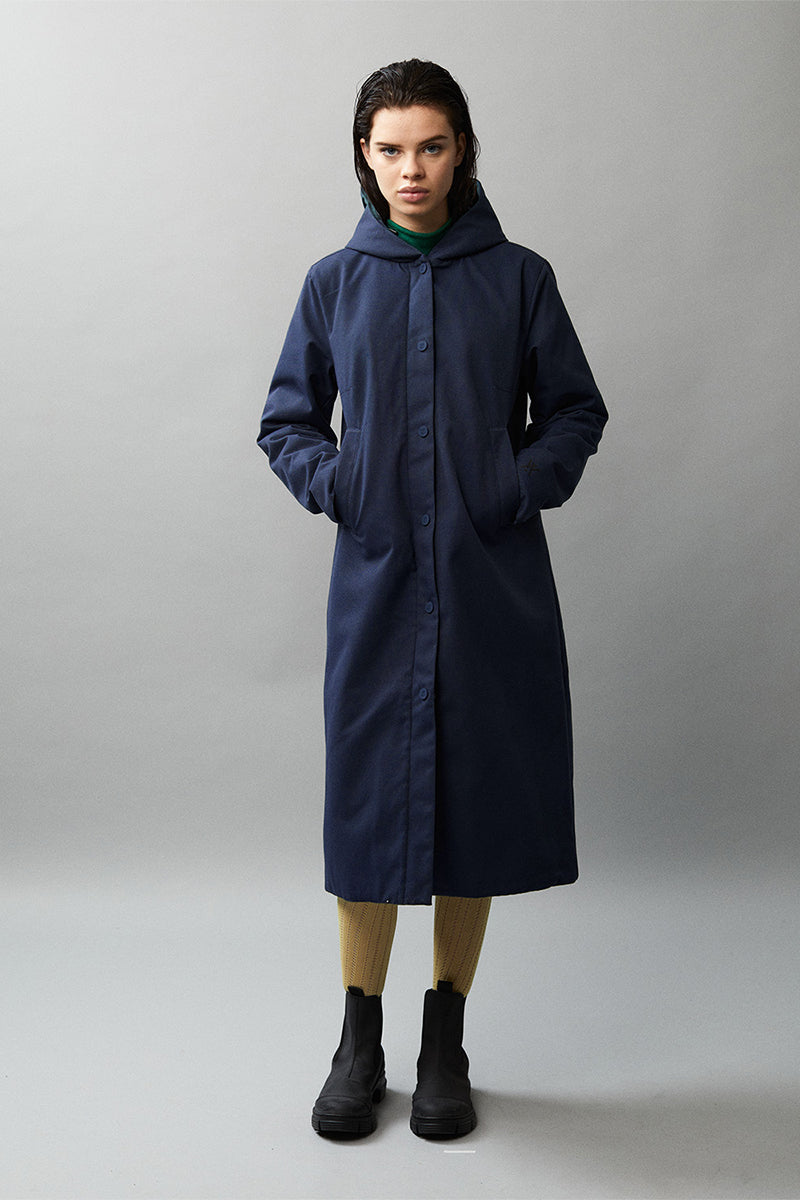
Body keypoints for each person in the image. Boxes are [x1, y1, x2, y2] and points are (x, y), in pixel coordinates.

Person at [257, 58, 608, 1140]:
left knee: (476, 803)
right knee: (367, 801)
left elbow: (574, 411)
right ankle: (356, 1035)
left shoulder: (519, 278)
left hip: (490, 581)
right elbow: (286, 420)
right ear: (364, 159)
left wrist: (513, 485)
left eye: (432, 146)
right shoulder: (333, 282)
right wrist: (342, 486)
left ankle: (445, 1034)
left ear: (462, 152)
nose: (411, 169)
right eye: (390, 149)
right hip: (376, 584)